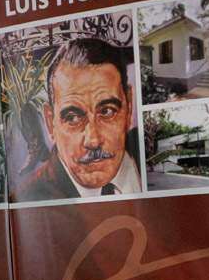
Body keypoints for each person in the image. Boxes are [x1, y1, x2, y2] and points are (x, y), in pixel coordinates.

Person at [14, 38, 141, 201]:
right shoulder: (27, 198)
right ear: (50, 123)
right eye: (73, 118)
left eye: (107, 111)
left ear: (129, 107)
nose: (93, 141)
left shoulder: (142, 158)